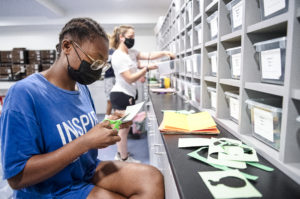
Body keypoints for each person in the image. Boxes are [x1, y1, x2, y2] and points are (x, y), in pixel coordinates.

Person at [0, 18, 164, 199]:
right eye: (94, 62)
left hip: (84, 170)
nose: (96, 70)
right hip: (50, 188)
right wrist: (86, 142)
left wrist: (110, 124)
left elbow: (78, 131)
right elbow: (17, 178)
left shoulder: (81, 88)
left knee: (152, 177)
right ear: (67, 47)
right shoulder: (24, 94)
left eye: (102, 65)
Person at [110, 25, 175, 163]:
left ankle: (121, 154)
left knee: (124, 128)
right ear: (121, 37)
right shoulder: (118, 56)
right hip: (121, 95)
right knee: (123, 129)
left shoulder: (130, 52)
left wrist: (165, 53)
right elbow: (130, 78)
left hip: (128, 94)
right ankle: (123, 158)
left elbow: (148, 55)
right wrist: (146, 68)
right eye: (131, 37)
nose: (133, 39)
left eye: (134, 36)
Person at [103, 38, 116, 119]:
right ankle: (107, 118)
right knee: (111, 99)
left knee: (111, 99)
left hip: (112, 77)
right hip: (109, 77)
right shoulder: (107, 52)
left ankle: (108, 118)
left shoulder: (112, 52)